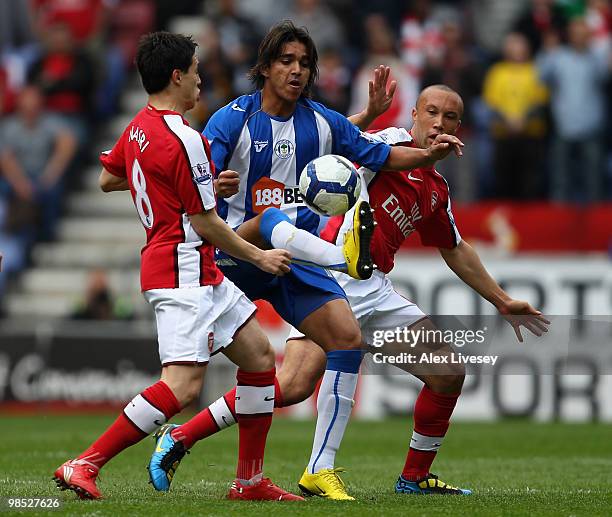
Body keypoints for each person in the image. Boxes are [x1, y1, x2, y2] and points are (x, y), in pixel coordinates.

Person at [150, 85, 550, 498]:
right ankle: (182, 435)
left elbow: (454, 247)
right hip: (331, 277)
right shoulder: (388, 145)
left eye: (450, 118)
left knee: (448, 373)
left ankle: (413, 479)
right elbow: (338, 153)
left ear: (459, 127)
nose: (438, 123)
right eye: (431, 112)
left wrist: (502, 300)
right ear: (413, 113)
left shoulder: (435, 189)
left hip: (374, 288)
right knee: (292, 385)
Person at [147, 21, 464, 501]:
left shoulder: (333, 127)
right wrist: (208, 184)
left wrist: (502, 299)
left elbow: (357, 146)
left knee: (299, 377)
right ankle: (143, 442)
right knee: (198, 378)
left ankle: (318, 470)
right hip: (236, 249)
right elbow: (195, 178)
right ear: (266, 66)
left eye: (304, 63)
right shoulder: (233, 119)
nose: (296, 71)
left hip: (301, 260)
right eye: (286, 61)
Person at [52, 31, 303, 502]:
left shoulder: (139, 126)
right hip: (182, 268)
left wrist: (181, 186)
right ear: (176, 76)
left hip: (195, 268)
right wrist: (260, 256)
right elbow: (206, 222)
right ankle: (83, 463)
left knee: (259, 358)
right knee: (183, 385)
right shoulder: (184, 138)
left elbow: (110, 178)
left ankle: (248, 482)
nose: (199, 81)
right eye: (195, 72)